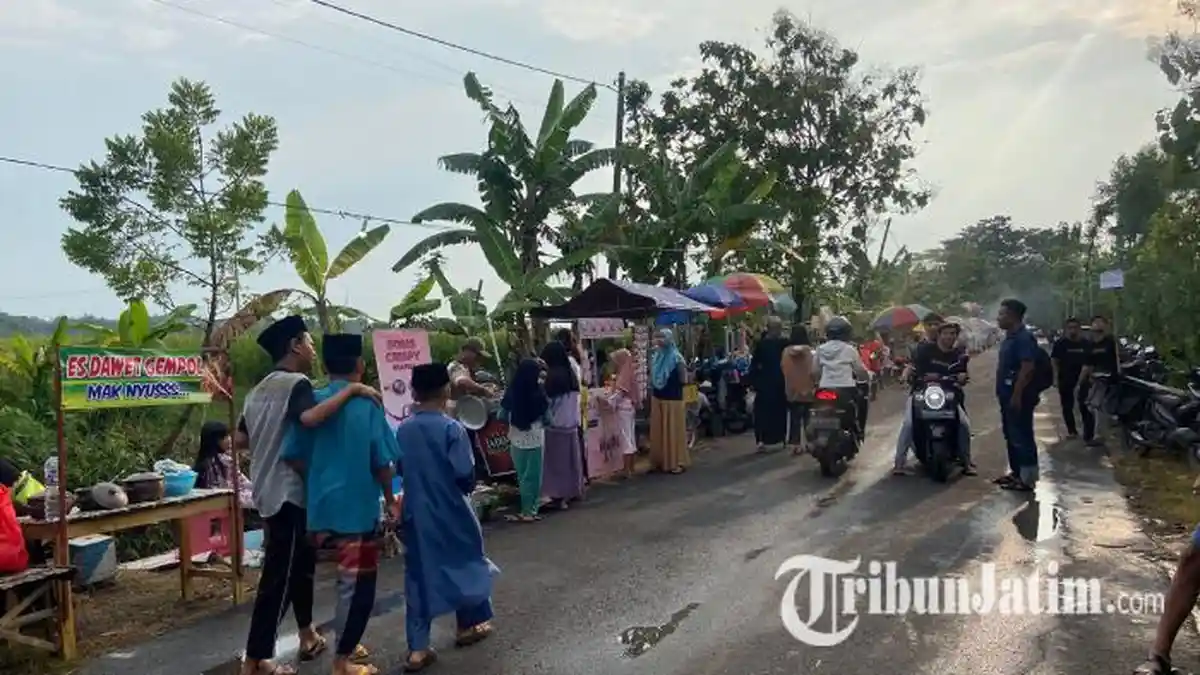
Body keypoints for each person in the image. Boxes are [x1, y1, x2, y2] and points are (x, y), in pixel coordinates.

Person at [236, 315, 379, 675]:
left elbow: (239, 439)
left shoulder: (257, 391)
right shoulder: (296, 383)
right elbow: (311, 419)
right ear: (295, 346)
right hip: (290, 490)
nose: (313, 349)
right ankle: (256, 658)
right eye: (309, 342)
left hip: (266, 489)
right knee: (280, 578)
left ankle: (307, 634)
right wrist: (352, 391)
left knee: (299, 568)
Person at [282, 334, 399, 675]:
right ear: (360, 365)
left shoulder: (315, 403)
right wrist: (391, 499)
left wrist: (317, 479)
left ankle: (348, 643)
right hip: (357, 509)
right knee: (357, 584)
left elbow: (292, 456)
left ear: (326, 366)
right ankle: (342, 660)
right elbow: (383, 463)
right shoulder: (366, 404)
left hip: (319, 511)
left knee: (343, 581)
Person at [395, 364, 498, 672]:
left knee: (419, 574)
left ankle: (417, 648)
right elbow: (464, 475)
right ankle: (468, 625)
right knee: (466, 562)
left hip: (417, 512)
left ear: (414, 392)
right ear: (445, 391)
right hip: (453, 510)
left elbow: (399, 468)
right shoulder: (452, 429)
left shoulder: (404, 430)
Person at [895, 323, 975, 476]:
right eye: (946, 333)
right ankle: (899, 463)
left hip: (949, 395)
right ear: (939, 335)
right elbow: (911, 366)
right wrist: (905, 376)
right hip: (921, 393)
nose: (949, 336)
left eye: (953, 333)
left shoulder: (959, 354)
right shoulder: (925, 350)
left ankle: (967, 462)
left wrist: (963, 377)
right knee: (908, 424)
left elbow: (964, 374)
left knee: (964, 424)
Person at [994, 299, 1041, 491]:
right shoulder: (1010, 337)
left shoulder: (1023, 338)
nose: (998, 318)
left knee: (1023, 436)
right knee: (1011, 435)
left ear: (1012, 316)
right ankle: (1016, 473)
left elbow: (1027, 368)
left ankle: (1027, 479)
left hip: (1019, 396)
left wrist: (1017, 395)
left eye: (1001, 314)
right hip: (1007, 395)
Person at [498, 359, 550, 522]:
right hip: (536, 436)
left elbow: (501, 415)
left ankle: (525, 510)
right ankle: (531, 510)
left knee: (522, 475)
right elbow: (548, 418)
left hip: (516, 437)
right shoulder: (539, 392)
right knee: (534, 476)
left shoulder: (512, 391)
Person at [540, 341, 585, 508]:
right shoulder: (571, 375)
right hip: (571, 424)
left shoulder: (552, 378)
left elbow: (547, 403)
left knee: (555, 464)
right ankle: (573, 491)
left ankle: (558, 496)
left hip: (555, 425)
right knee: (570, 462)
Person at [811, 316, 869, 436]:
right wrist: (866, 377)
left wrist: (817, 382)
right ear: (847, 332)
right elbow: (860, 370)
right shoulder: (849, 349)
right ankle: (859, 431)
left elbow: (814, 371)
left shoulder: (820, 349)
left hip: (824, 388)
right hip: (846, 389)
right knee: (862, 401)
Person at [650, 329, 690, 474]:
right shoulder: (656, 357)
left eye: (663, 337)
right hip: (658, 398)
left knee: (673, 432)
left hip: (673, 400)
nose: (659, 340)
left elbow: (683, 379)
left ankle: (677, 462)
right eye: (658, 337)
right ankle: (660, 461)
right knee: (659, 432)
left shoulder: (677, 358)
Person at [554, 328, 590, 480]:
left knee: (573, 446)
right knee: (577, 443)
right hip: (575, 408)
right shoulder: (573, 360)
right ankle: (581, 476)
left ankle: (578, 477)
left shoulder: (567, 363)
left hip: (568, 412)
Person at [598, 348, 640, 478]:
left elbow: (619, 395)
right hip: (630, 408)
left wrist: (605, 401)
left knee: (626, 439)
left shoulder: (624, 375)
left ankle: (627, 470)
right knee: (630, 438)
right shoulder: (629, 372)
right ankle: (631, 468)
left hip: (623, 409)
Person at [195, 420, 254, 510]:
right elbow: (225, 491)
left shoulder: (227, 458)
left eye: (229, 435)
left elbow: (241, 480)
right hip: (224, 503)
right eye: (224, 437)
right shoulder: (213, 465)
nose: (229, 439)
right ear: (215, 441)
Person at [750, 316, 790, 451]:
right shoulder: (784, 343)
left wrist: (754, 381)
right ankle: (780, 437)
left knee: (763, 413)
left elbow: (755, 364)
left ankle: (762, 440)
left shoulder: (762, 344)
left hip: (766, 384)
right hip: (778, 382)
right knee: (779, 412)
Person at [1050, 317, 1092, 440]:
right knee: (1067, 406)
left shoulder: (1086, 344)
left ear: (1079, 329)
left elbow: (1087, 365)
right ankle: (1072, 431)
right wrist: (1055, 378)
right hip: (1065, 379)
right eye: (1070, 328)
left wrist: (1079, 383)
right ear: (1066, 329)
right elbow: (1054, 361)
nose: (1072, 330)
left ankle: (1088, 434)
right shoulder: (1060, 344)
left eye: (1075, 328)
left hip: (1083, 380)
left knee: (1084, 406)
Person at [1080, 314, 1118, 448]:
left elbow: (1120, 358)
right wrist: (1081, 381)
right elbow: (1087, 365)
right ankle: (1098, 432)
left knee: (1099, 406)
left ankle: (1100, 434)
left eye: (1101, 322)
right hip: (1096, 379)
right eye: (1095, 322)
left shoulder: (1111, 342)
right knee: (1092, 405)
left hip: (1110, 378)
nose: (1098, 324)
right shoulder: (1090, 344)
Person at [782, 325, 815, 455]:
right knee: (808, 418)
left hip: (792, 390)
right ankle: (809, 443)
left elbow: (783, 367)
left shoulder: (785, 352)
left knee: (794, 418)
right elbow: (814, 370)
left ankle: (795, 444)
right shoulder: (811, 352)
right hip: (808, 389)